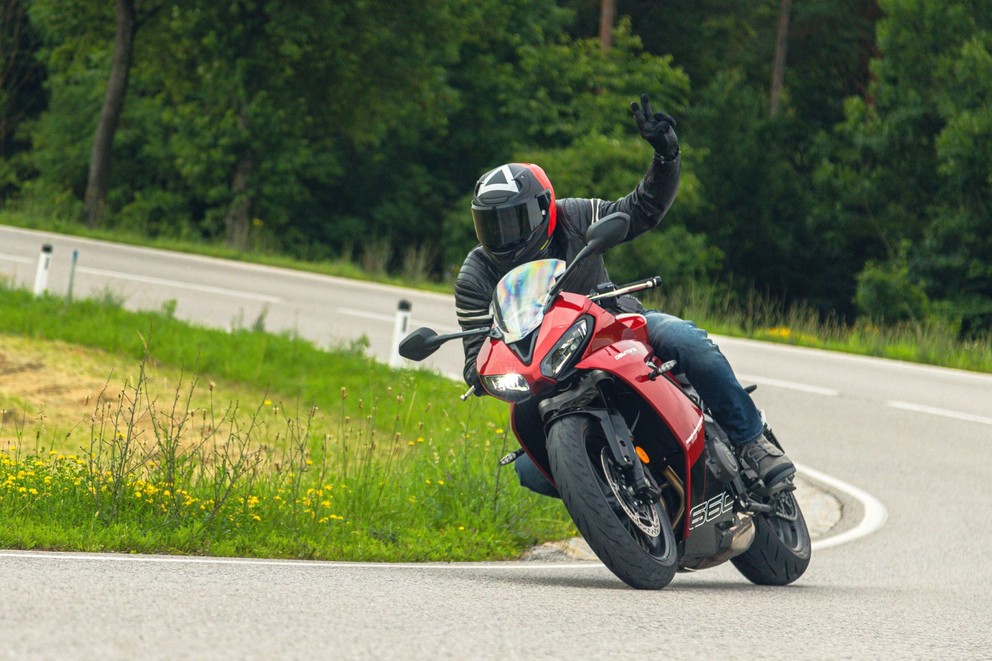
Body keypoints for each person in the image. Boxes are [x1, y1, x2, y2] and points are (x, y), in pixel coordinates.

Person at [454, 93, 795, 495]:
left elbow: (640, 209)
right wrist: (483, 374)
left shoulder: (574, 217)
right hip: (544, 373)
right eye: (492, 225)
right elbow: (476, 354)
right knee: (529, 471)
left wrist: (666, 158)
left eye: (514, 220)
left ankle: (751, 441)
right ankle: (619, 508)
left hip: (615, 327)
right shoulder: (475, 275)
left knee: (689, 341)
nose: (505, 235)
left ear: (544, 207)